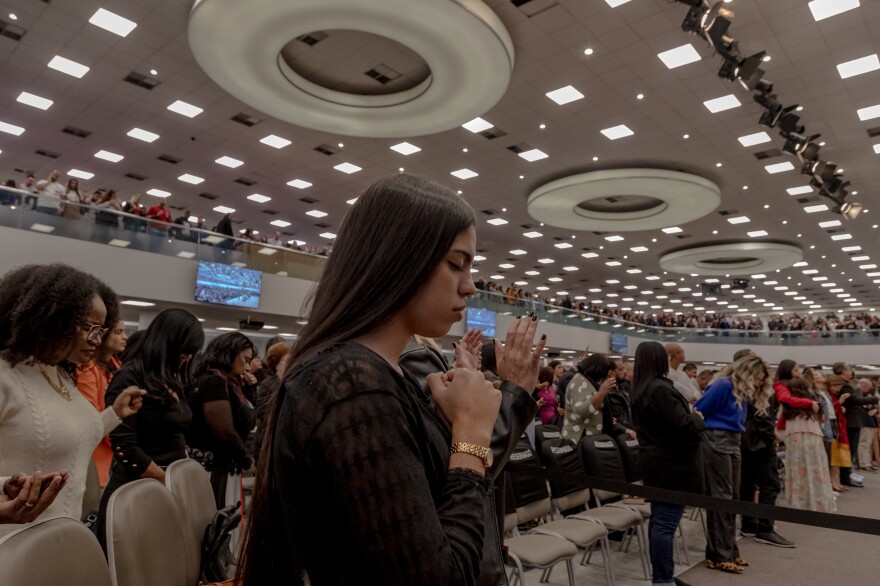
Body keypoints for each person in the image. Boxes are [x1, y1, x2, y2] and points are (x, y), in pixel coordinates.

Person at [238, 173, 544, 585]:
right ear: (399, 258)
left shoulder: (379, 375)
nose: (470, 286)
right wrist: (470, 433)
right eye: (456, 264)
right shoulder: (352, 384)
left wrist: (452, 424)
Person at [0, 264, 144, 537]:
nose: (96, 340)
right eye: (88, 327)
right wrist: (5, 489)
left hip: (61, 540)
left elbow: (73, 437)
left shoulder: (59, 374)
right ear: (50, 317)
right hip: (11, 545)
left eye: (101, 330)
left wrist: (115, 413)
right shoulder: (6, 376)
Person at [97, 308, 204, 548]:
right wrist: (166, 480)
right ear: (168, 342)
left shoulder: (170, 378)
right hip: (135, 491)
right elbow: (125, 447)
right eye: (184, 350)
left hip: (164, 487)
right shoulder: (128, 377)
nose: (187, 357)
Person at [631, 341, 704, 586]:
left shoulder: (642, 387)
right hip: (672, 465)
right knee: (665, 523)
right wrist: (697, 418)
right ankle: (662, 579)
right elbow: (682, 425)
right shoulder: (658, 388)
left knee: (660, 521)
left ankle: (663, 576)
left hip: (659, 462)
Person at [694, 355, 773, 572]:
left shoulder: (739, 390)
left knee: (732, 497)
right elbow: (699, 411)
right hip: (716, 439)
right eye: (756, 378)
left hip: (733, 440)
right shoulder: (722, 385)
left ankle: (724, 551)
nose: (758, 383)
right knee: (722, 496)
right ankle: (721, 554)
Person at [187, 332, 258, 507]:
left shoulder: (230, 383)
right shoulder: (214, 382)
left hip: (223, 467)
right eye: (245, 360)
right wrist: (245, 457)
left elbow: (248, 417)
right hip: (213, 469)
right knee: (216, 522)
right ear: (229, 354)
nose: (248, 367)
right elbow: (223, 430)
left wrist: (250, 389)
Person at [76, 319, 128, 487]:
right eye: (118, 332)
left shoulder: (117, 367)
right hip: (97, 455)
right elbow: (92, 417)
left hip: (115, 454)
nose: (125, 337)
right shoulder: (87, 369)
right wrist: (123, 443)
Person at [779, 377, 835, 512]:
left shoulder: (787, 406)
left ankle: (799, 504)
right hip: (813, 438)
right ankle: (819, 503)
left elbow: (781, 422)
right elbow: (823, 418)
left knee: (798, 471)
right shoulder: (815, 402)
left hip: (794, 438)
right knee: (816, 469)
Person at [560, 353, 616, 442]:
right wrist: (601, 393)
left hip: (589, 439)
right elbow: (581, 411)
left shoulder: (589, 381)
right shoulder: (579, 381)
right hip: (579, 439)